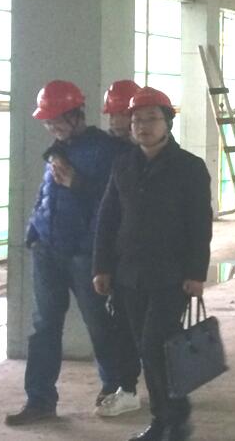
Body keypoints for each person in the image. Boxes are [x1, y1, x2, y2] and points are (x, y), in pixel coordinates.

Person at [93, 87, 213, 441]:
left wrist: (196, 273)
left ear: (167, 123)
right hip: (129, 274)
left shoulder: (189, 167)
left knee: (154, 345)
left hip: (171, 276)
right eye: (136, 120)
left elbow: (200, 224)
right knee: (150, 350)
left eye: (151, 119)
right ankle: (166, 421)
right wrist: (102, 267)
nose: (142, 126)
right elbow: (107, 218)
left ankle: (174, 418)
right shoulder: (124, 165)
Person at [5, 80, 127, 426]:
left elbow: (117, 202)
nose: (52, 127)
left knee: (98, 323)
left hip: (85, 254)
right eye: (48, 122)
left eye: (57, 119)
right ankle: (40, 400)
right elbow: (46, 195)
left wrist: (79, 183)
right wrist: (33, 233)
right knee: (44, 326)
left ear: (76, 115)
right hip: (48, 250)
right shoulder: (58, 149)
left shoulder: (106, 150)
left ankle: (114, 388)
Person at [92, 79, 144, 418]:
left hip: (157, 260)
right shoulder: (111, 155)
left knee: (156, 330)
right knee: (122, 328)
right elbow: (107, 216)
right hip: (122, 257)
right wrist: (103, 264)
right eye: (111, 116)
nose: (115, 123)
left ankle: (169, 387)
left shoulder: (167, 159)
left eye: (120, 115)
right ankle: (125, 386)